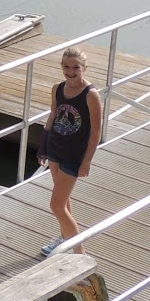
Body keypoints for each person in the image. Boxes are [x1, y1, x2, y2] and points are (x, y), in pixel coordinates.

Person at [37, 47, 103, 257]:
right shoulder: (57, 88)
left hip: (75, 154)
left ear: (84, 68)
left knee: (56, 205)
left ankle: (79, 255)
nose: (70, 71)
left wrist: (87, 162)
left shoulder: (90, 94)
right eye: (66, 66)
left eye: (76, 67)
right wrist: (43, 145)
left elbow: (96, 131)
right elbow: (53, 115)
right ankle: (65, 238)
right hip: (56, 148)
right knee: (63, 201)